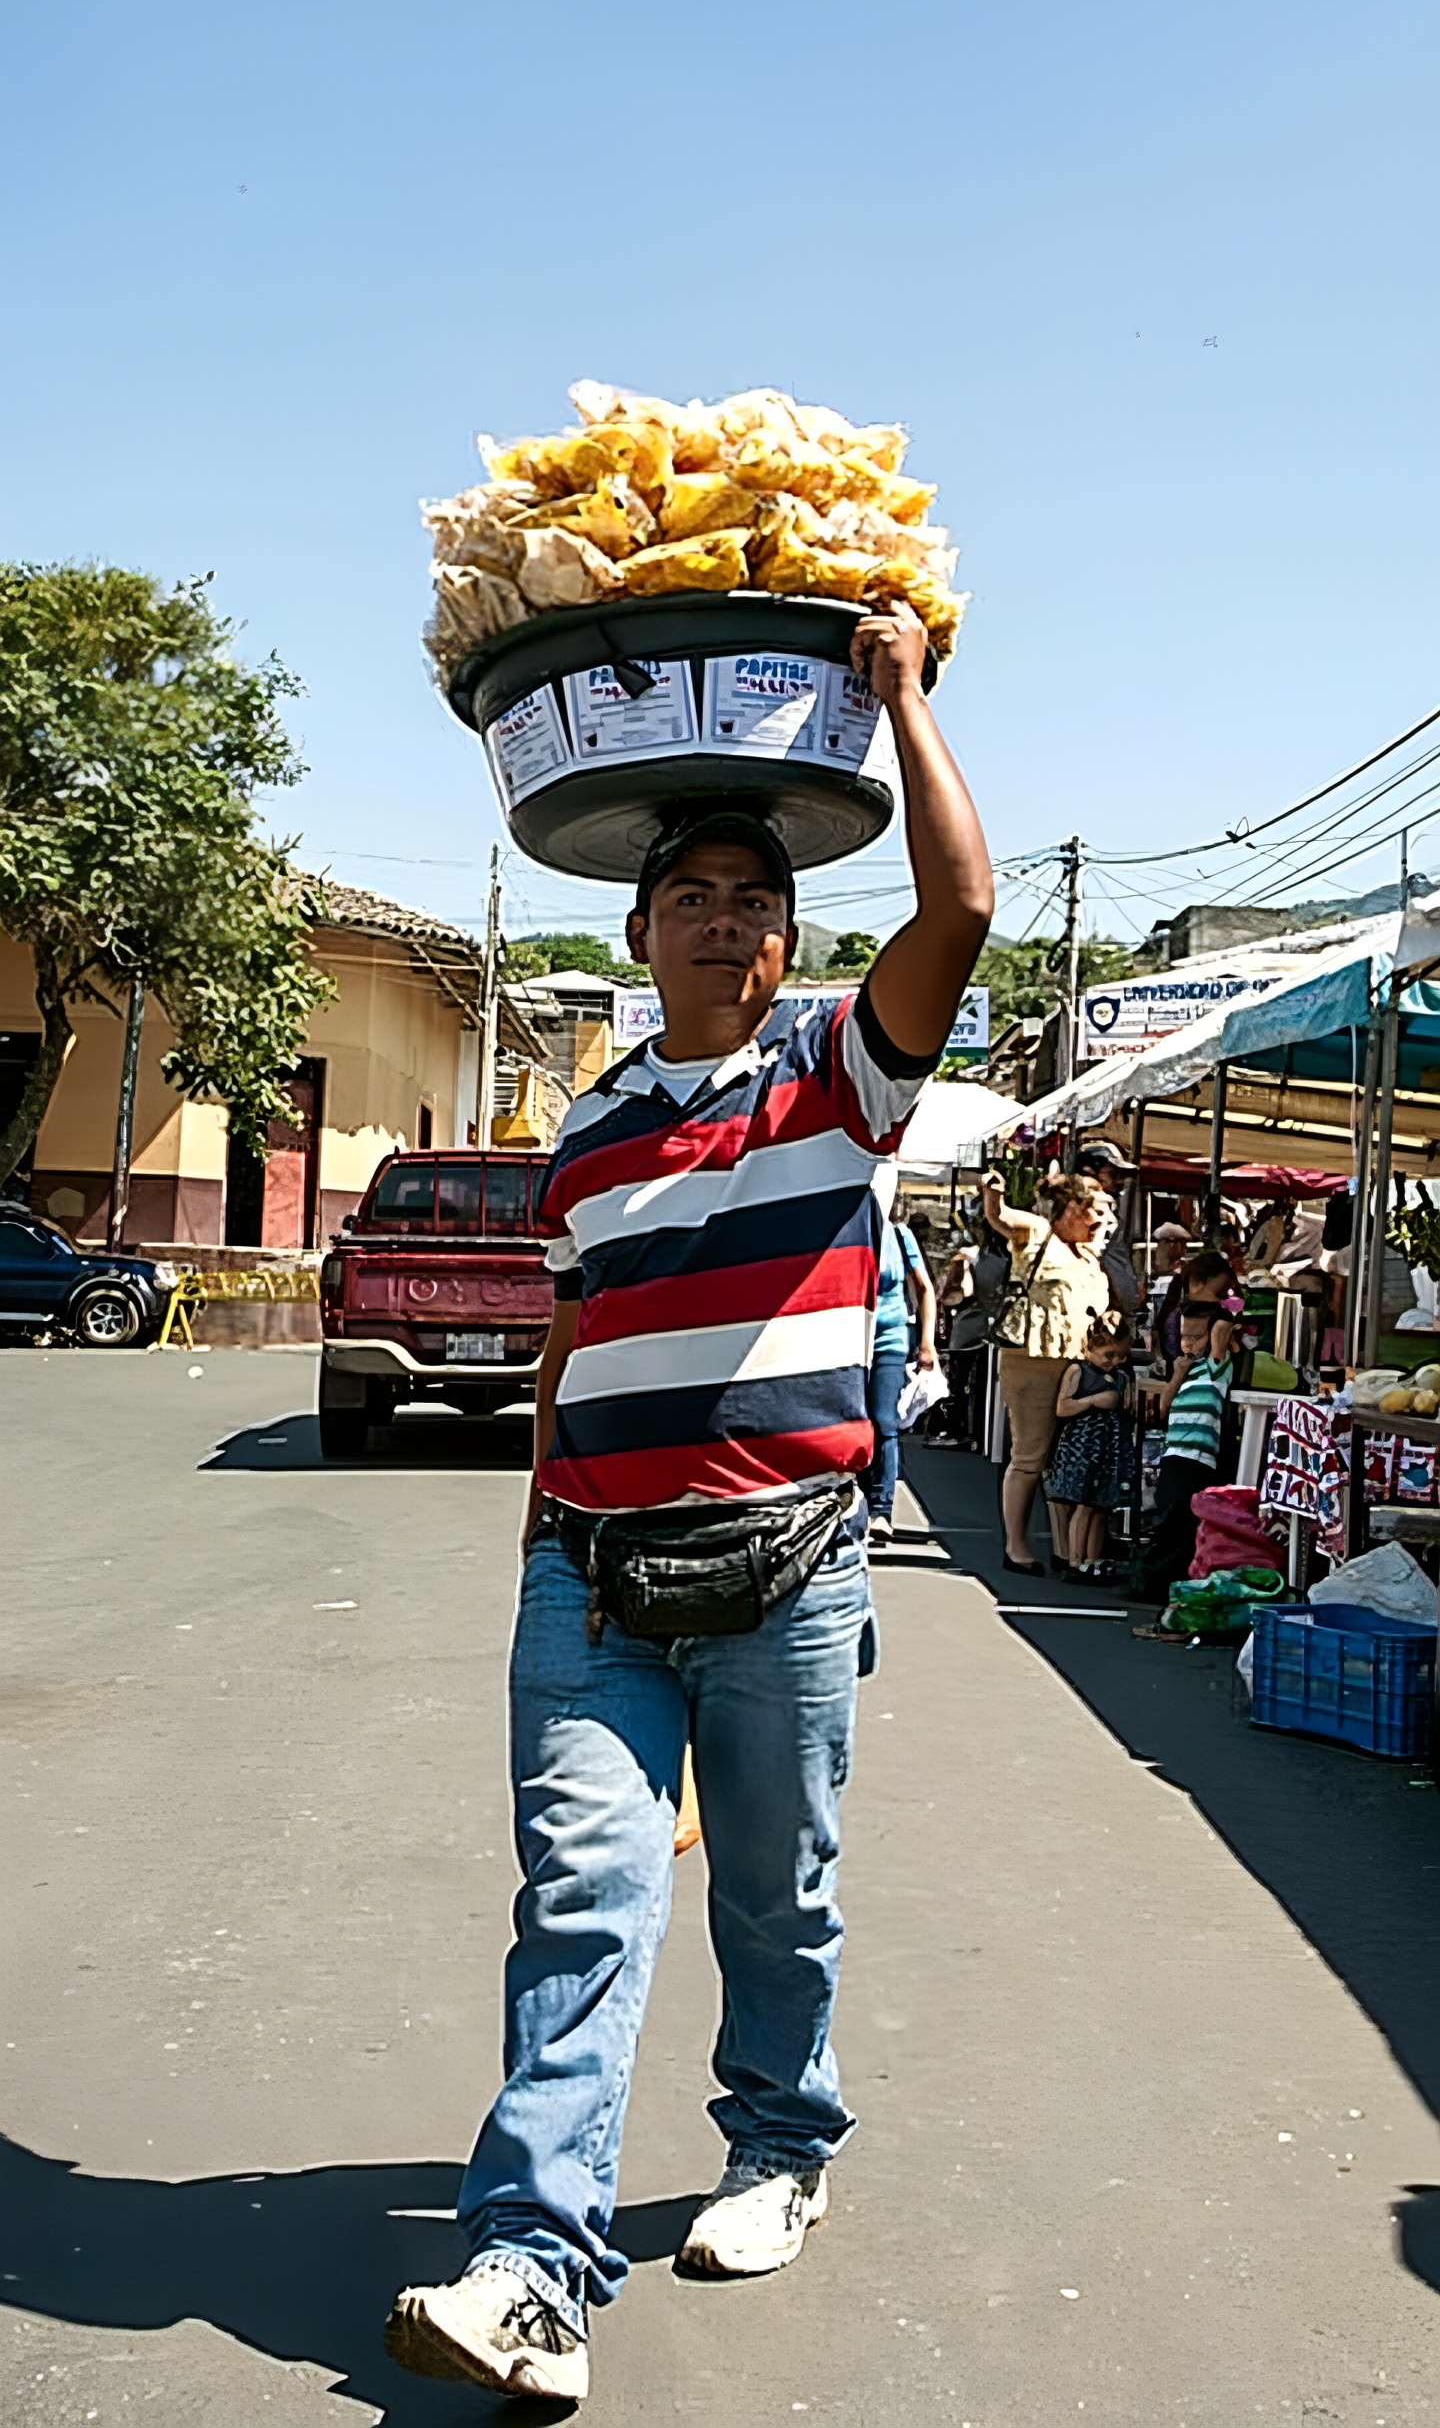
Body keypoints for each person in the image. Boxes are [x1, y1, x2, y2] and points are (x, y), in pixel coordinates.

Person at [386, 601, 992, 2404]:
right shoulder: (581, 1135)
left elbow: (956, 911)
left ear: (788, 936)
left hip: (788, 1573)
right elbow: (576, 1329)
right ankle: (530, 2264)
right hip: (589, 1580)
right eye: (695, 896)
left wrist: (897, 706)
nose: (728, 916)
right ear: (641, 933)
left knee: (773, 1906)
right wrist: (533, 1520)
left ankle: (779, 2148)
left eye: (757, 896)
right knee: (581, 1899)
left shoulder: (836, 1078)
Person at [980, 1169, 1113, 1574]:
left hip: (1078, 1362)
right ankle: (1016, 1547)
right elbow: (1002, 1218)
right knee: (1030, 1456)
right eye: (1094, 1216)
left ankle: (1064, 1549)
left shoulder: (1088, 1253)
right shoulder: (1038, 1231)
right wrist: (992, 1195)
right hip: (1033, 1359)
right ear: (1072, 1209)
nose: (1099, 1225)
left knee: (1066, 1459)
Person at [1136, 1302, 1236, 1604]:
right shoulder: (1187, 1371)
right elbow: (1163, 1409)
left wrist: (1221, 1315)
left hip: (1197, 1458)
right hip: (1174, 1453)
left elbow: (1221, 1329)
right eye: (1183, 1336)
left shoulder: (1217, 1367)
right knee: (1168, 1517)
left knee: (1177, 1520)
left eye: (1196, 1336)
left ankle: (1159, 1582)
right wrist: (1178, 1373)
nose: (1188, 1343)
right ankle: (1158, 1581)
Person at [1045, 1311, 1136, 1582]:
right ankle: (1075, 1560)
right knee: (1083, 1505)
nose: (1114, 1362)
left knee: (1101, 1507)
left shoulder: (1122, 1377)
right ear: (1090, 1348)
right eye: (1108, 1355)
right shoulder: (1078, 1371)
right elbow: (1063, 1407)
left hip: (1110, 1447)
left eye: (1120, 1356)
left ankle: (1092, 1559)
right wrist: (1094, 1400)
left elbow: (1127, 1406)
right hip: (1083, 1447)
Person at [865, 1210, 937, 1542]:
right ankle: (853, 1501)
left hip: (889, 1340)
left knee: (883, 1420)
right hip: (844, 1341)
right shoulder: (844, 1229)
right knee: (852, 1421)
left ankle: (880, 1510)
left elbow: (924, 1289)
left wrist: (926, 1342)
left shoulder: (898, 1235)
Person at [1075, 1138, 1141, 1318]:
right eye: (1112, 1173)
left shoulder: (1111, 1211)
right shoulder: (1081, 1213)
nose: (1119, 1181)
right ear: (1089, 1173)